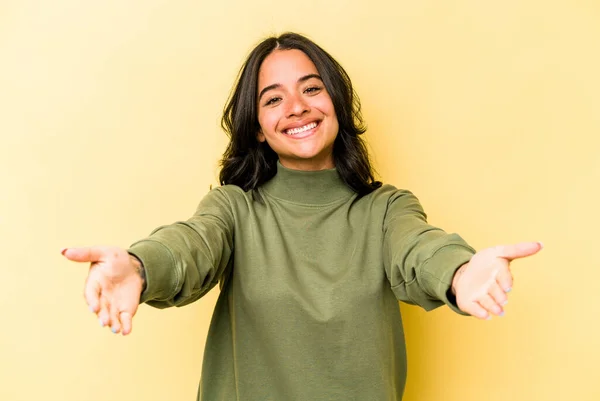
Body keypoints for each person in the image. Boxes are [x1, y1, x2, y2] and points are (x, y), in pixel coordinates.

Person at [62, 32, 542, 400]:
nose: (296, 107)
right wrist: (141, 266)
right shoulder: (235, 208)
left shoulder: (385, 210)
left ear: (335, 102)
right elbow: (191, 244)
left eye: (311, 89)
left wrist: (459, 271)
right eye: (273, 99)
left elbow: (421, 248)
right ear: (256, 128)